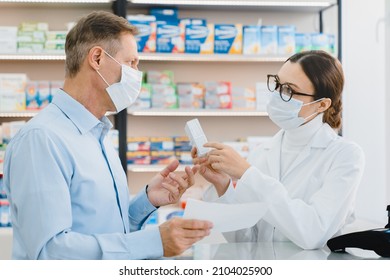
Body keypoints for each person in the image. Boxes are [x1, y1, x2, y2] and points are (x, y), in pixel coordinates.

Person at [3, 11, 212, 260]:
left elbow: (108, 232)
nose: (137, 74)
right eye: (131, 63)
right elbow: (50, 252)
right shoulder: (42, 140)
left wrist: (147, 200)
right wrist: (154, 242)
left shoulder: (98, 135)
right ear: (98, 58)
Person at [192, 50, 365, 250]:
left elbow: (312, 233)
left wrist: (248, 174)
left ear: (322, 105)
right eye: (277, 85)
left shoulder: (345, 156)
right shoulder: (262, 152)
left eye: (289, 90)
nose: (278, 96)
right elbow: (246, 238)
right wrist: (223, 185)